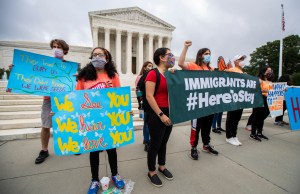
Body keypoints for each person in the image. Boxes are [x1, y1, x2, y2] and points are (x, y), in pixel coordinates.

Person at [76, 47, 125, 193]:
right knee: (94, 150)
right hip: (92, 120)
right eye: (95, 54)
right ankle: (94, 180)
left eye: (101, 54)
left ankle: (115, 175)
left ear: (107, 58)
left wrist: (124, 111)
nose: (97, 57)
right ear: (91, 58)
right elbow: (76, 99)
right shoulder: (83, 77)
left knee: (111, 149)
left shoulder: (113, 76)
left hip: (109, 119)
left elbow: (119, 97)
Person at [178, 40, 219, 160]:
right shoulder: (193, 66)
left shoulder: (211, 69)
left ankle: (206, 145)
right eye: (206, 53)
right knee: (196, 127)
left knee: (207, 127)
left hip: (210, 104)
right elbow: (180, 63)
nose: (208, 55)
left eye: (209, 53)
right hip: (197, 104)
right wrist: (185, 47)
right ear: (200, 55)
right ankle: (194, 147)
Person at [35, 39, 70, 164]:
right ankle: (44, 150)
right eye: (54, 47)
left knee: (68, 124)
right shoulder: (45, 64)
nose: (56, 49)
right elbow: (31, 74)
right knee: (45, 125)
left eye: (59, 47)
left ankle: (71, 145)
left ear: (64, 50)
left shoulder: (69, 67)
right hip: (48, 100)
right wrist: (16, 69)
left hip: (64, 100)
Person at [146, 47, 175, 187]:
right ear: (162, 57)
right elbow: (149, 96)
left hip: (170, 111)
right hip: (157, 112)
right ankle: (151, 171)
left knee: (164, 142)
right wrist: (161, 115)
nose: (172, 57)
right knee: (155, 143)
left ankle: (162, 166)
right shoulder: (152, 74)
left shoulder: (170, 74)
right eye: (170, 55)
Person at [225, 55, 246, 146]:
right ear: (235, 61)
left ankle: (234, 135)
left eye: (243, 59)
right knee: (231, 118)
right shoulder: (232, 70)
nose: (242, 61)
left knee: (237, 118)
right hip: (233, 98)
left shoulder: (242, 71)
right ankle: (229, 137)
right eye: (240, 59)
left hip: (240, 98)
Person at [250, 66, 273, 141]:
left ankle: (259, 132)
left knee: (263, 116)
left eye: (271, 71)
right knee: (257, 116)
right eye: (268, 71)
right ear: (263, 72)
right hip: (259, 99)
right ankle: (253, 133)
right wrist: (265, 91)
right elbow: (255, 90)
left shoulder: (270, 81)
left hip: (267, 100)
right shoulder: (259, 80)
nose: (270, 72)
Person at [135, 61, 153, 151]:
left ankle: (146, 139)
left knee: (148, 123)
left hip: (152, 102)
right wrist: (140, 103)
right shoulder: (139, 77)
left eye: (152, 66)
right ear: (145, 67)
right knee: (146, 123)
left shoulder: (152, 76)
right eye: (149, 66)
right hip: (144, 103)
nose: (151, 67)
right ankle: (146, 141)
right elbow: (138, 90)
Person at [212, 56, 226, 134]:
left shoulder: (224, 74)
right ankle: (213, 127)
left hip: (222, 96)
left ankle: (219, 126)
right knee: (216, 113)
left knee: (220, 112)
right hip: (216, 96)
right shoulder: (215, 73)